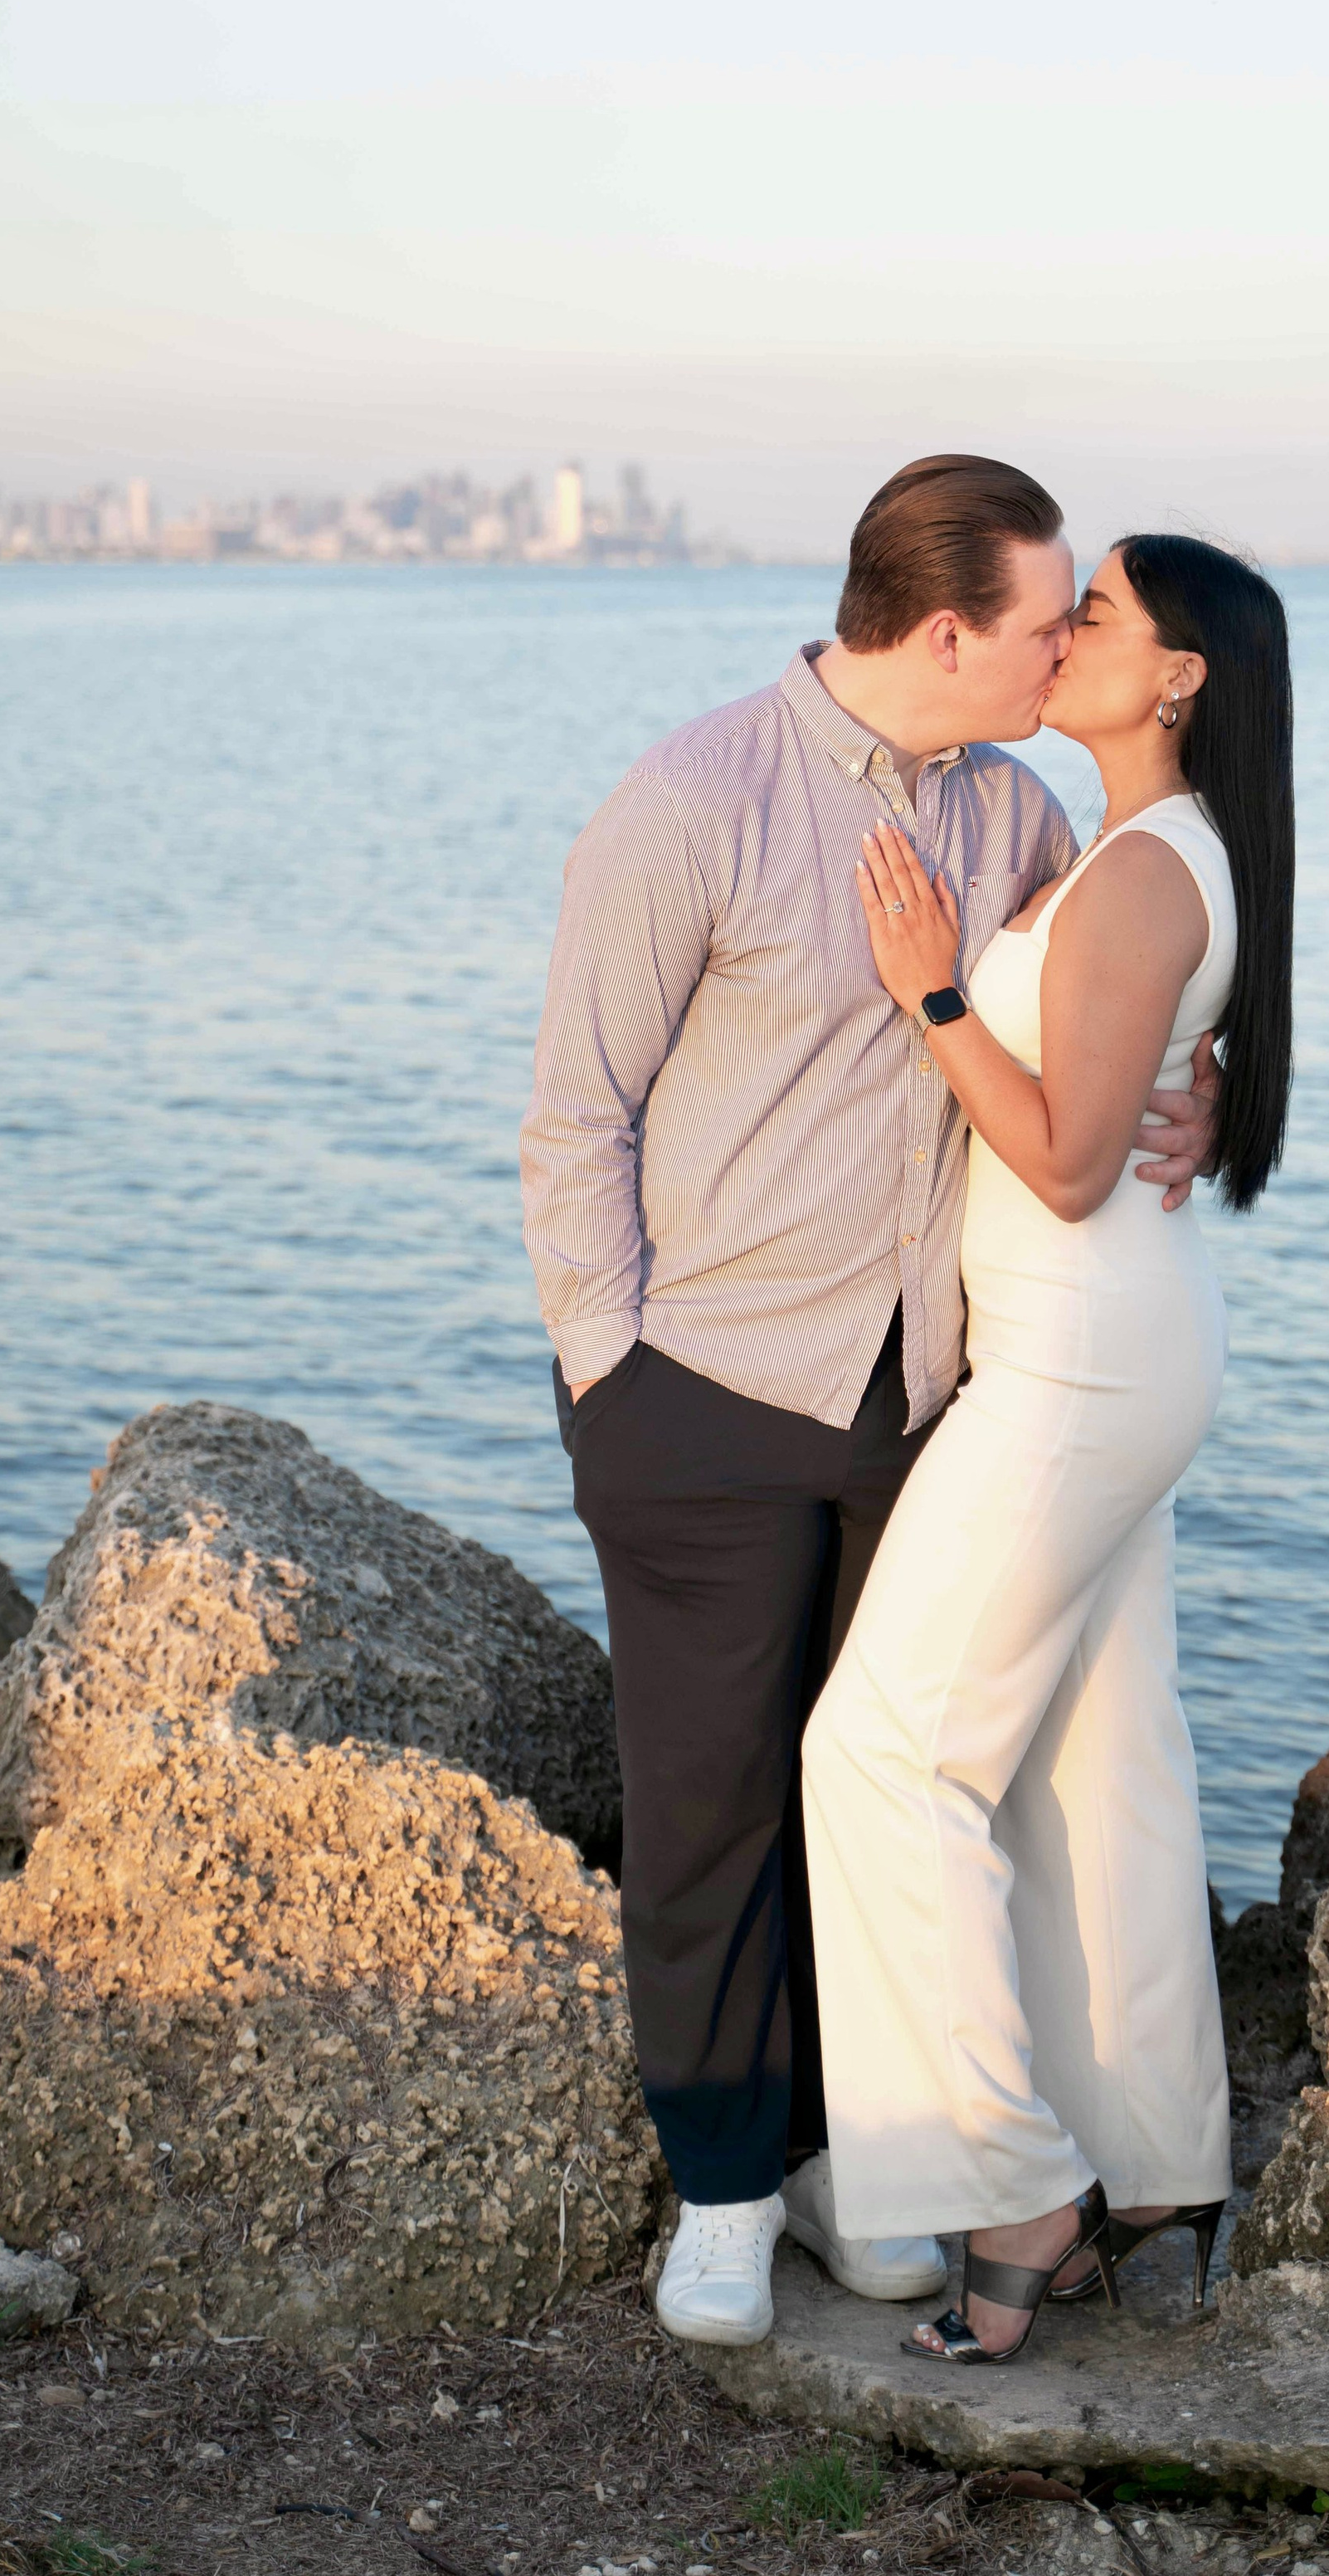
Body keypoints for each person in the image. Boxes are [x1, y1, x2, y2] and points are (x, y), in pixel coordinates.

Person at [519, 458, 1222, 2349]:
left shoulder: (1013, 815)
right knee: (706, 1806)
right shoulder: (690, 800)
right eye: (1043, 619)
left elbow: (1119, 988)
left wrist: (1199, 1083)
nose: (1064, 641)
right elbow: (576, 1112)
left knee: (894, 1791)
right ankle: (725, 2190)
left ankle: (864, 2157)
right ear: (943, 635)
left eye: (1086, 616)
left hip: (923, 1394)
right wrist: (613, 1381)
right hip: (705, 1387)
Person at [801, 533, 1295, 2363]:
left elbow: (1073, 1159)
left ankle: (1011, 2184)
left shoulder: (1147, 870)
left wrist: (930, 988)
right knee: (1096, 1763)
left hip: (1079, 1364)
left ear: (1178, 677)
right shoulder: (1132, 855)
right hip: (1107, 1345)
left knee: (876, 1754)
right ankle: (1152, 2158)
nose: (1064, 628)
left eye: (1098, 611)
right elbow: (1126, 1081)